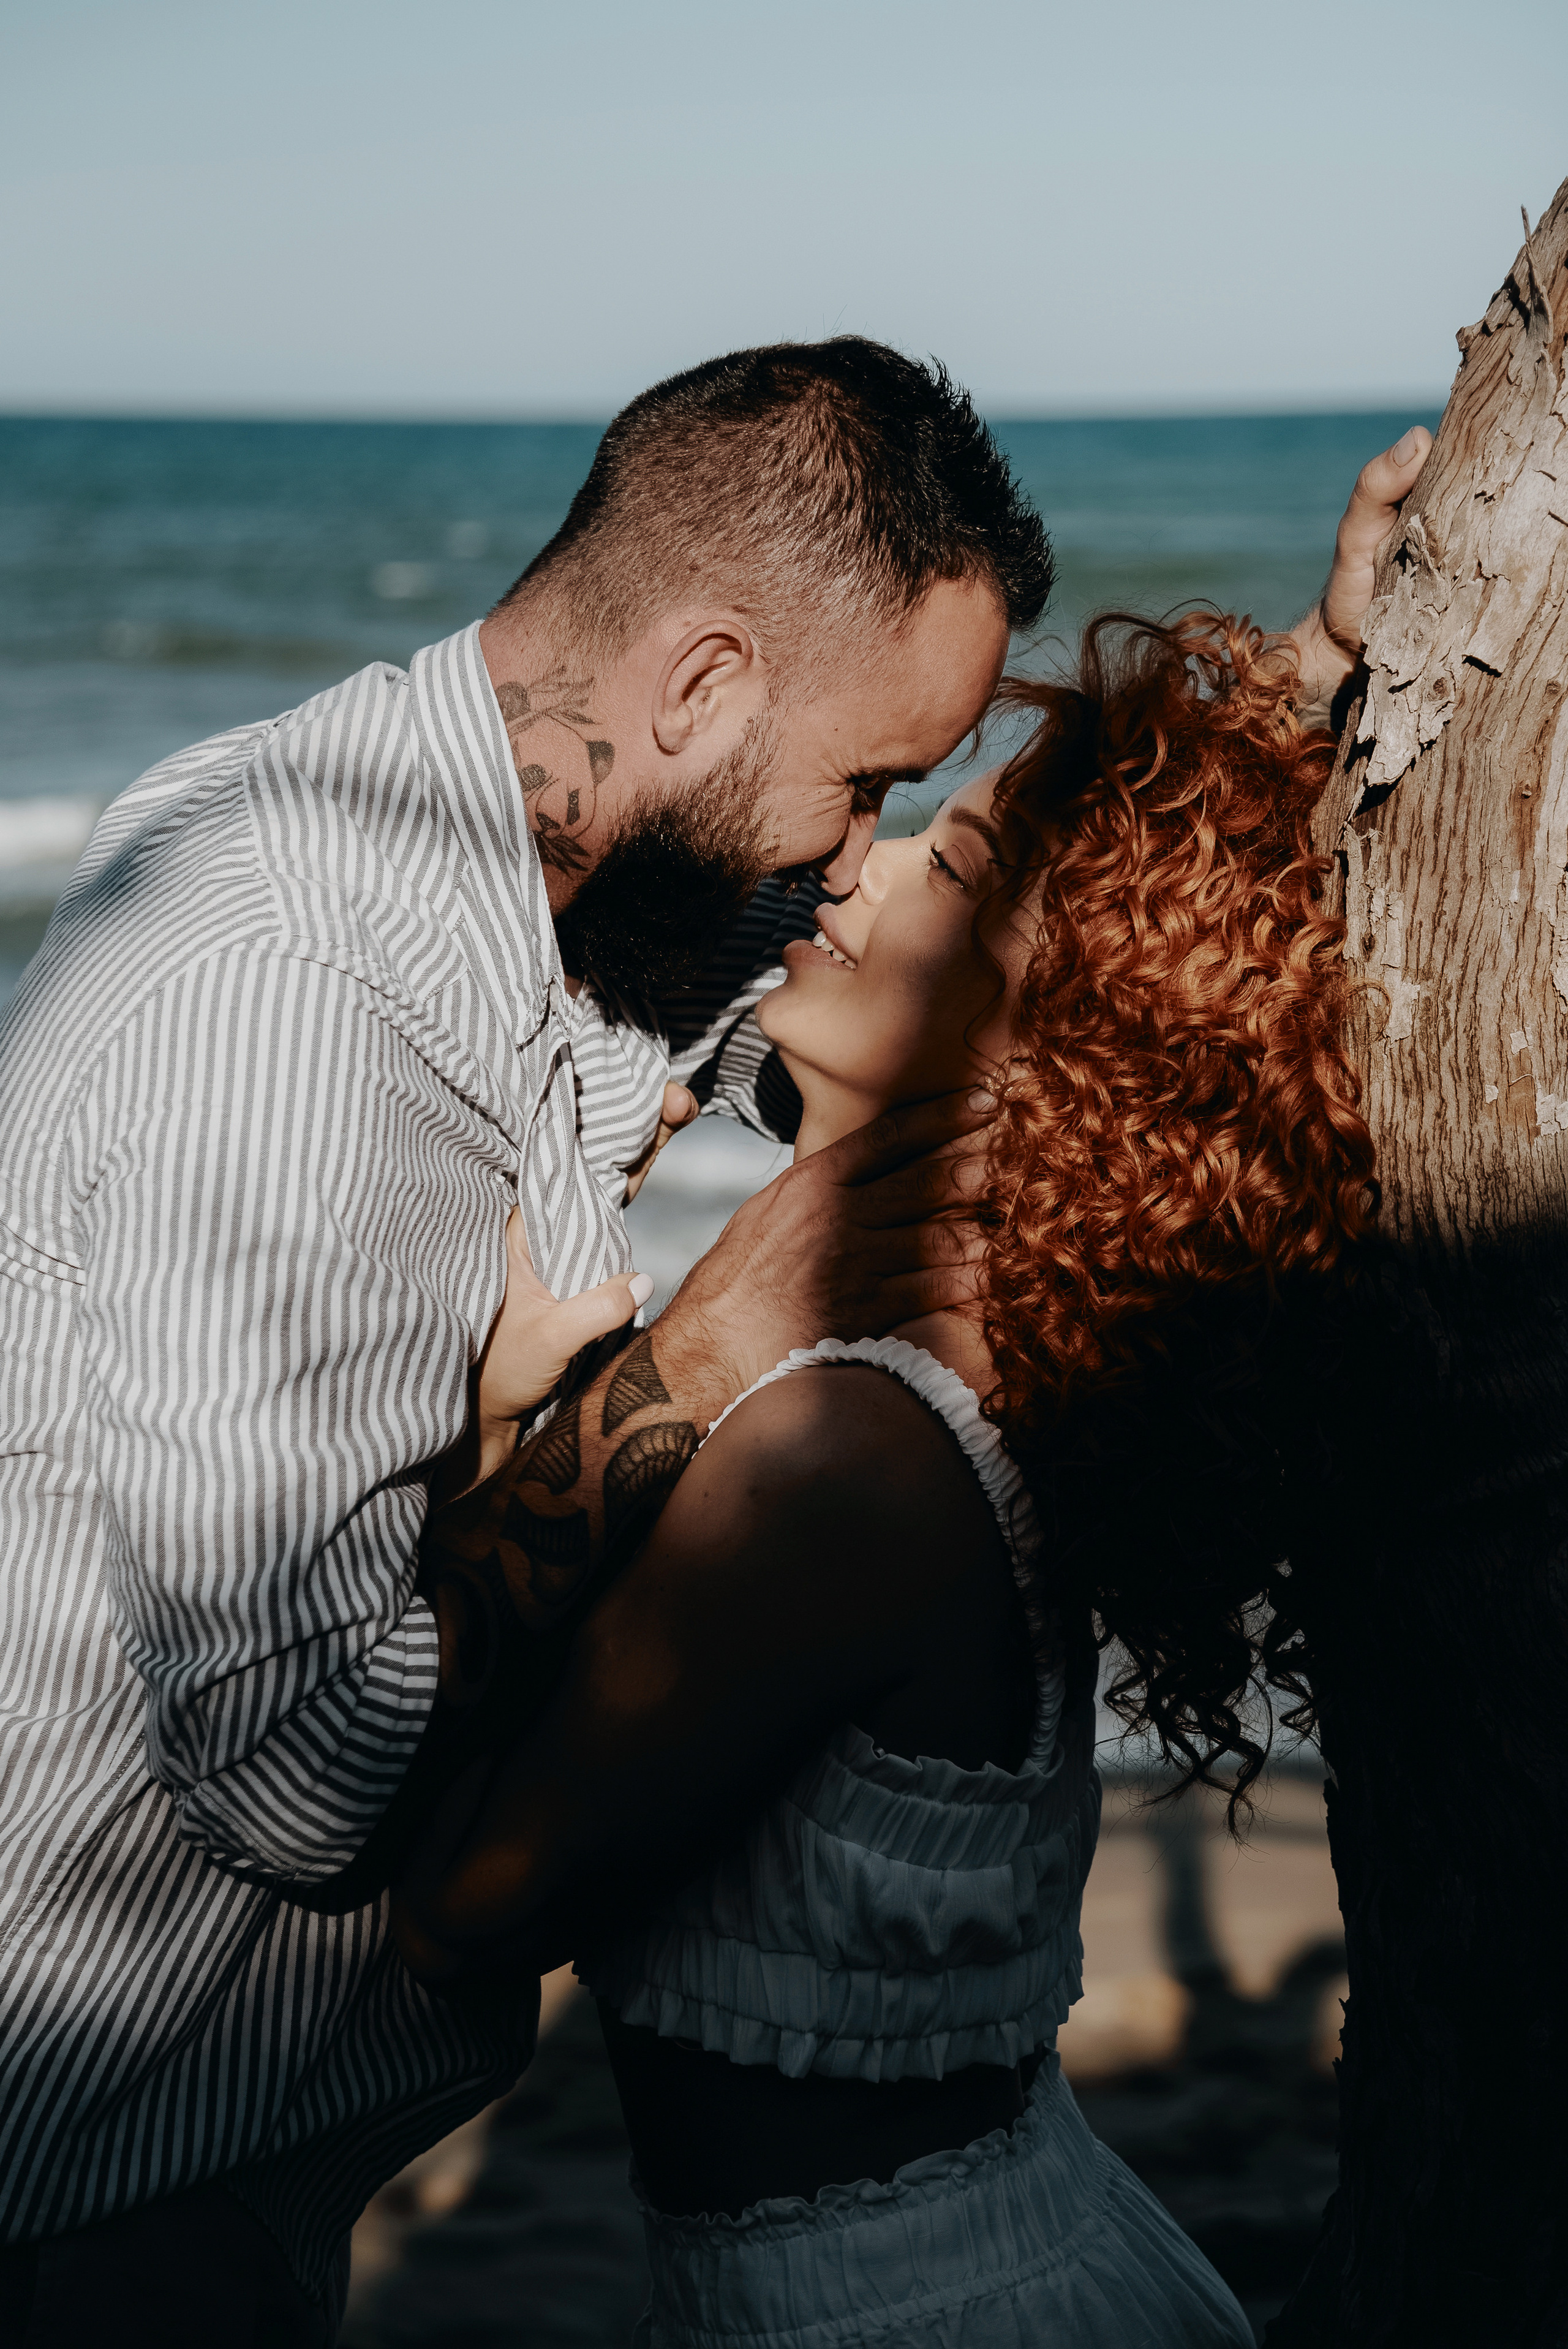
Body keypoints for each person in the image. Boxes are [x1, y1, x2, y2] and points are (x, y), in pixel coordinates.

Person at [0, 311, 1425, 2348]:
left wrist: (1306, 678)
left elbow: (1063, 980)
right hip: (86, 2185)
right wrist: (706, 1344)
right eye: (866, 785)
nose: (852, 862)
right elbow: (307, 1771)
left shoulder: (588, 890)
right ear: (700, 685)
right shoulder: (300, 996)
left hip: (221, 2171)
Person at [392, 605, 1384, 2346]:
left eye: (952, 866)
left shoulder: (847, 1454)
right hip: (1004, 2255)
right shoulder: (1012, 1360)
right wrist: (1308, 655)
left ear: (1063, 1030)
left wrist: (547, 1423)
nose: (861, 868)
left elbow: (465, 1899)